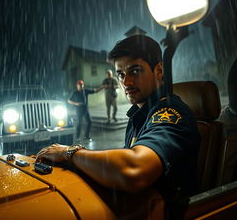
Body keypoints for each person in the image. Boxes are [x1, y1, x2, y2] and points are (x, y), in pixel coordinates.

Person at [36, 35, 200, 216]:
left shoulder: (169, 113)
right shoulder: (139, 115)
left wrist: (69, 153)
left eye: (135, 71)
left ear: (159, 70)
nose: (126, 82)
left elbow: (135, 169)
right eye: (121, 74)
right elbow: (120, 164)